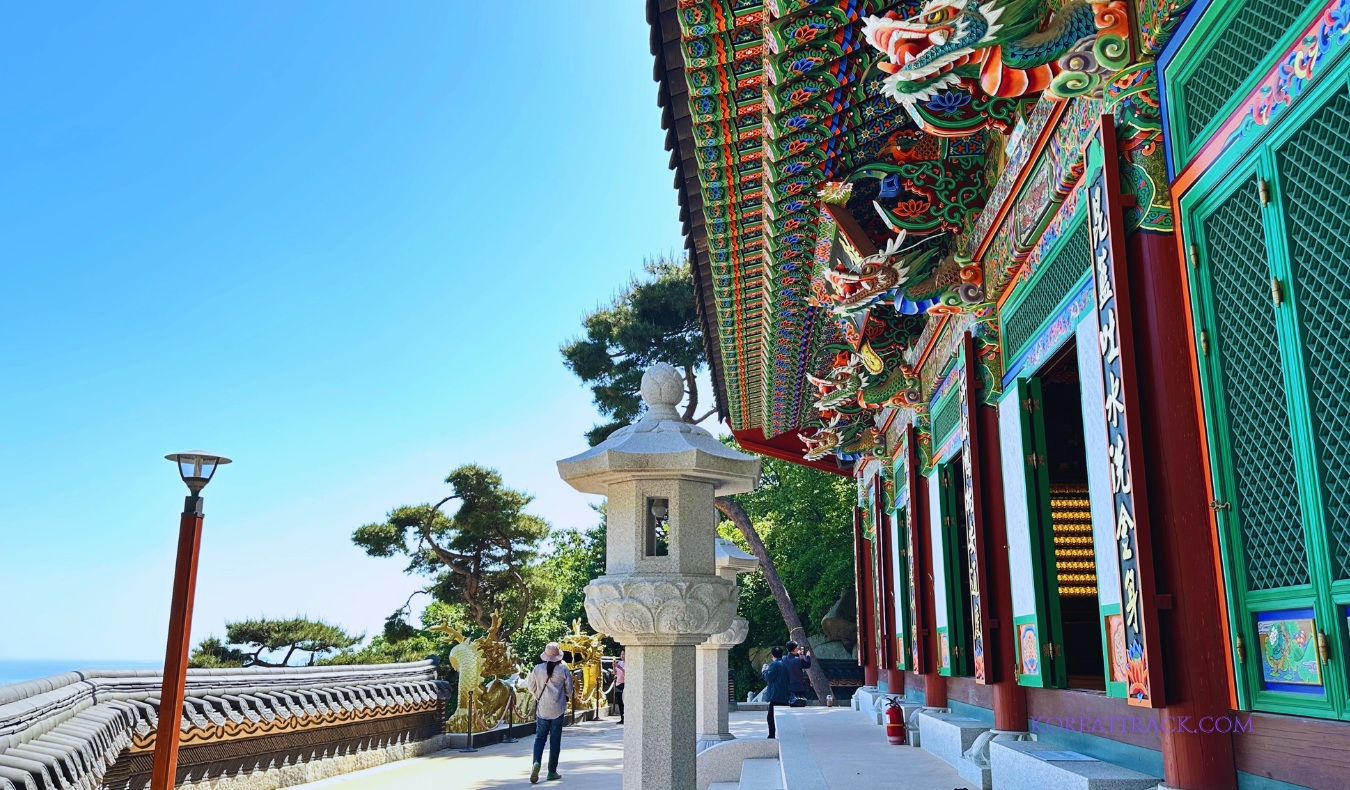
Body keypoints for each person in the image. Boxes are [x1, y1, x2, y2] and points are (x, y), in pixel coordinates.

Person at [526, 642, 574, 784]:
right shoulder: (563, 670)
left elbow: (530, 686)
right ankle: (552, 772)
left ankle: (536, 762)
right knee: (555, 741)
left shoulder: (537, 669)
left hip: (542, 709)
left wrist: (538, 696)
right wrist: (563, 696)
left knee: (539, 739)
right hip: (558, 709)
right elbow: (569, 690)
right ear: (558, 656)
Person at [760, 646, 791, 738]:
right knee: (782, 717)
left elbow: (768, 677)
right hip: (785, 694)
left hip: (775, 694)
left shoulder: (775, 665)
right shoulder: (785, 664)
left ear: (771, 655)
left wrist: (764, 671)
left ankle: (772, 735)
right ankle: (783, 733)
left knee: (771, 717)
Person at [783, 640, 814, 705]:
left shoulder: (783, 659)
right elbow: (808, 664)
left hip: (787, 687)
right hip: (798, 688)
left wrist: (797, 654)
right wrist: (808, 656)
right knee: (800, 705)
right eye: (797, 647)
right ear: (794, 649)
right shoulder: (798, 660)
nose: (798, 648)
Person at [613, 650, 626, 724]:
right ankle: (622, 717)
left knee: (624, 701)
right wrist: (614, 666)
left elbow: (626, 672)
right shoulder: (620, 663)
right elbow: (614, 673)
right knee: (620, 701)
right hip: (618, 683)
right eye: (621, 654)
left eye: (623, 654)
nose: (622, 656)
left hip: (624, 683)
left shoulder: (628, 664)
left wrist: (620, 668)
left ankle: (625, 716)